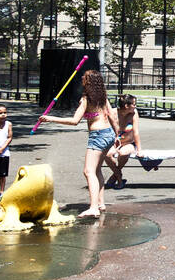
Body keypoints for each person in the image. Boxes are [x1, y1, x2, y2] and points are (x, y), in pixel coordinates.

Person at [38, 69, 119, 218]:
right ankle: (100, 203)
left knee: (88, 171)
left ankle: (93, 207)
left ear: (89, 82)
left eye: (85, 77)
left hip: (98, 136)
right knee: (97, 170)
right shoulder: (103, 96)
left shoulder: (86, 99)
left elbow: (74, 121)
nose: (82, 78)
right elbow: (112, 116)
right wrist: (117, 134)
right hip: (108, 133)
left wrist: (50, 118)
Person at [103, 94, 144, 189]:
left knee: (123, 153)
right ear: (126, 106)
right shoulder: (113, 113)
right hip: (114, 142)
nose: (135, 106)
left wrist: (139, 149)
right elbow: (107, 130)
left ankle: (115, 176)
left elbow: (136, 132)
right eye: (134, 104)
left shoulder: (134, 113)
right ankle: (119, 176)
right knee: (107, 154)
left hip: (129, 143)